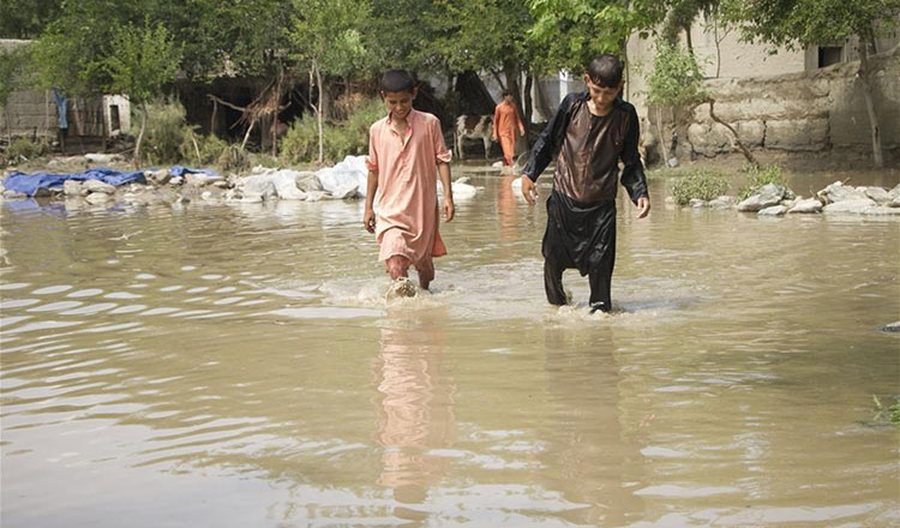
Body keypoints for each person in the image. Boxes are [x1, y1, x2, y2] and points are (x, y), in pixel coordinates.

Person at [519, 54, 650, 313]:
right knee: (553, 260)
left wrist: (639, 192)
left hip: (601, 208)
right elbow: (547, 141)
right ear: (587, 82)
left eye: (609, 93)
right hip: (564, 200)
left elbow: (631, 160)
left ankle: (600, 320)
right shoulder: (572, 106)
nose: (602, 99)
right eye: (597, 91)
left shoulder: (626, 116)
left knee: (601, 267)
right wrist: (529, 174)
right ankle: (556, 312)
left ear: (620, 87)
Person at [364, 70, 455, 295]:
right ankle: (403, 319)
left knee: (425, 269)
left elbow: (442, 160)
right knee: (396, 264)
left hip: (421, 209)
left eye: (404, 101)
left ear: (414, 94)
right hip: (390, 211)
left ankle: (424, 298)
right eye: (392, 102)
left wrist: (448, 197)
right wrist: (368, 208)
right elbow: (373, 170)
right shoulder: (376, 130)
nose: (399, 107)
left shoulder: (429, 123)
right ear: (382, 97)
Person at [492, 89, 526, 167]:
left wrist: (521, 128)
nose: (511, 98)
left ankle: (507, 167)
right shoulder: (499, 107)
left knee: (511, 150)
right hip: (503, 132)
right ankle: (512, 166)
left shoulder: (513, 106)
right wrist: (495, 134)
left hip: (512, 132)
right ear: (505, 97)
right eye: (509, 96)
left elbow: (517, 118)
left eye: (511, 96)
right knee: (508, 151)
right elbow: (495, 121)